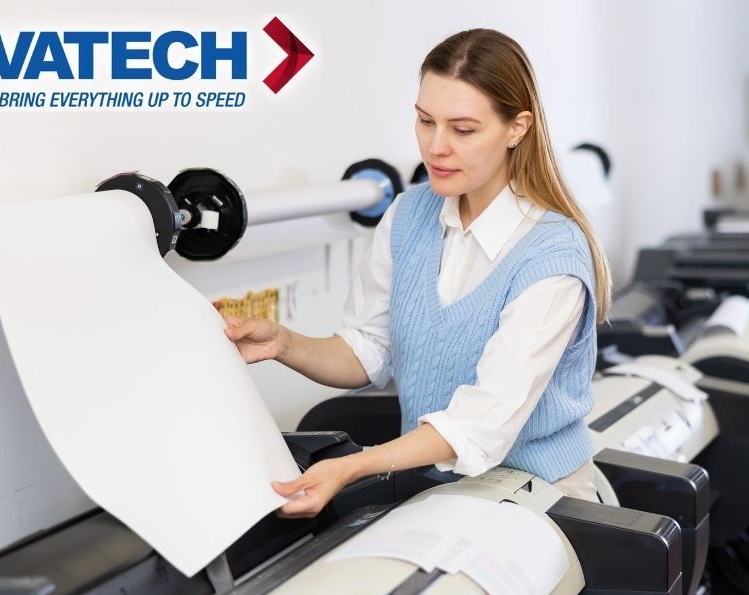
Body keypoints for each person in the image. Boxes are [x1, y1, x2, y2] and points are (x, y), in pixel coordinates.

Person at [220, 29, 612, 517]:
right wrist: (283, 343)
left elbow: (480, 424)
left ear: (517, 128)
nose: (436, 146)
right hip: (441, 491)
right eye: (425, 121)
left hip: (546, 498)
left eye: (463, 129)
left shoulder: (552, 258)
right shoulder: (408, 216)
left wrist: (356, 465)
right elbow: (366, 350)